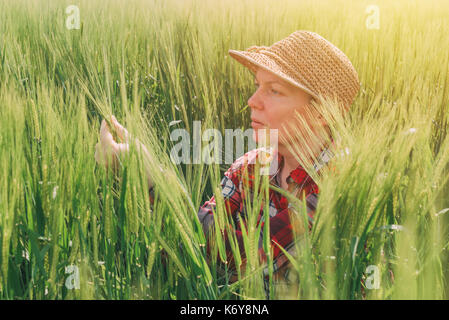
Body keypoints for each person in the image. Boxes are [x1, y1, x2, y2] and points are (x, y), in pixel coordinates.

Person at [95, 30, 360, 294]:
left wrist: (151, 178)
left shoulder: (342, 186)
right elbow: (197, 244)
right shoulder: (249, 167)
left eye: (275, 91)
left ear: (322, 113)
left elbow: (252, 260)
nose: (252, 101)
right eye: (258, 86)